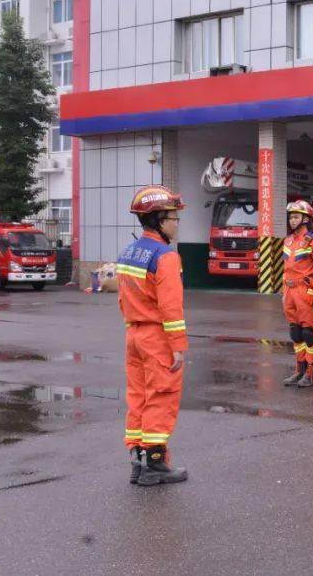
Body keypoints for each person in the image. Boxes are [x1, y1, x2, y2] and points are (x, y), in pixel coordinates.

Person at [117, 186, 188, 486]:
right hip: (157, 338)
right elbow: (171, 308)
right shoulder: (166, 257)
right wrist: (178, 347)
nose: (176, 222)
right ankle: (155, 465)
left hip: (133, 335)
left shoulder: (129, 252)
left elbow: (123, 299)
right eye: (173, 217)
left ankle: (138, 461)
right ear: (159, 219)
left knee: (138, 397)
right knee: (161, 397)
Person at [281, 200, 313, 388]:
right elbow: (286, 268)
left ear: (306, 219)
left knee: (308, 333)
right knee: (296, 332)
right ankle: (299, 370)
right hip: (290, 290)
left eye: (296, 217)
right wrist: (284, 291)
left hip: (305, 290)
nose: (292, 220)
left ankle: (310, 373)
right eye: (291, 217)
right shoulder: (288, 240)